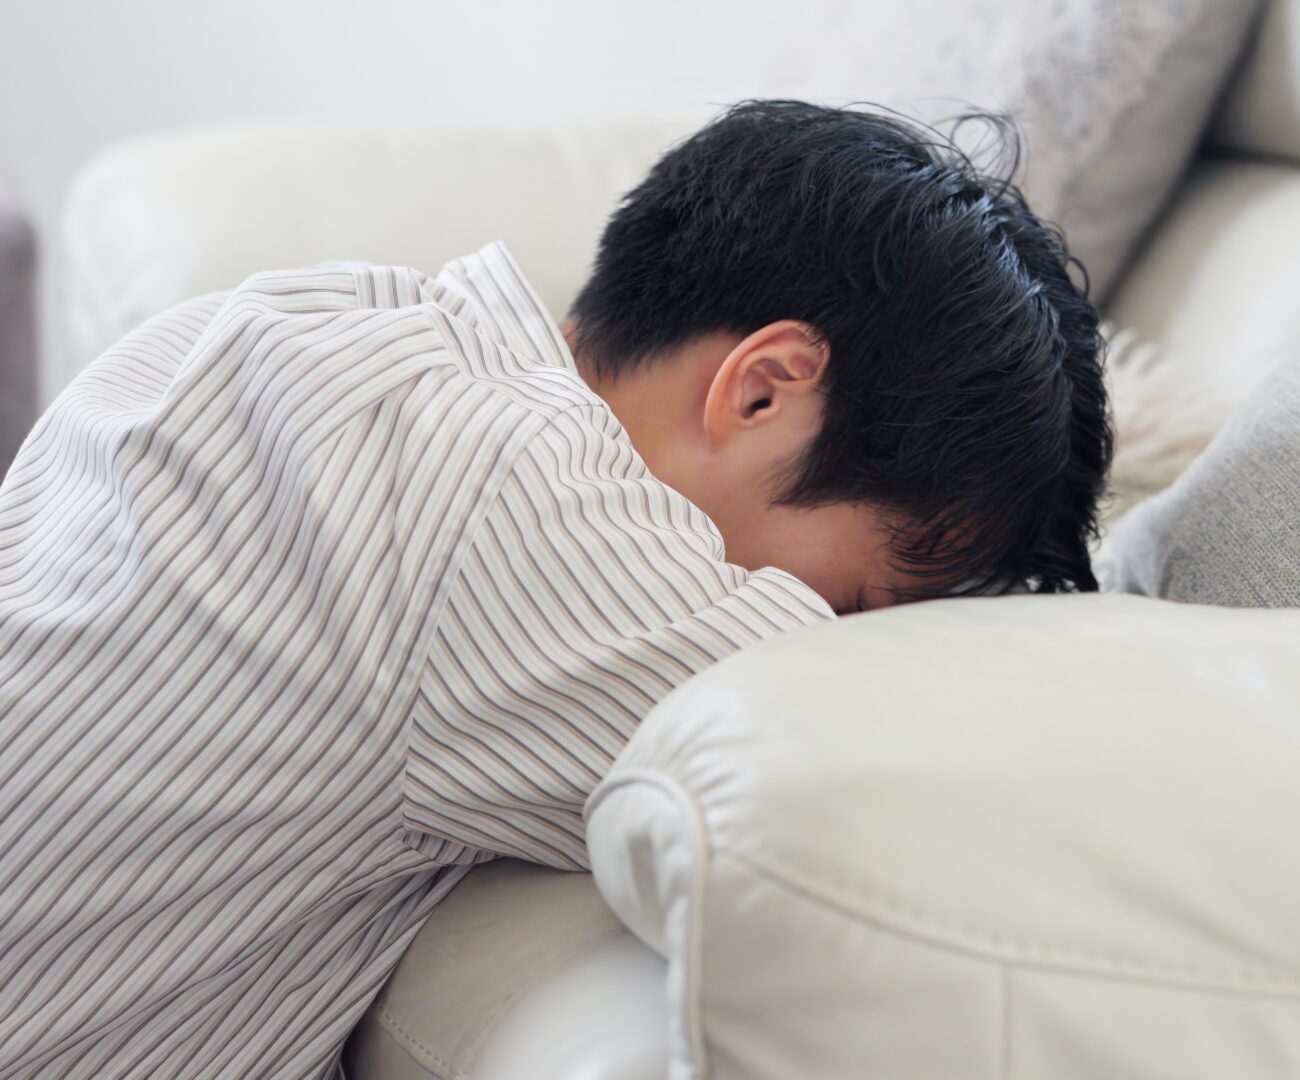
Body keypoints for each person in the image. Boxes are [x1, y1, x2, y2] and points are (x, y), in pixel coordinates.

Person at [0, 100, 1110, 1078]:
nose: (832, 627)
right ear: (764, 391)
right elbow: (933, 791)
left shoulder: (297, 324)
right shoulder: (531, 521)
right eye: (864, 599)